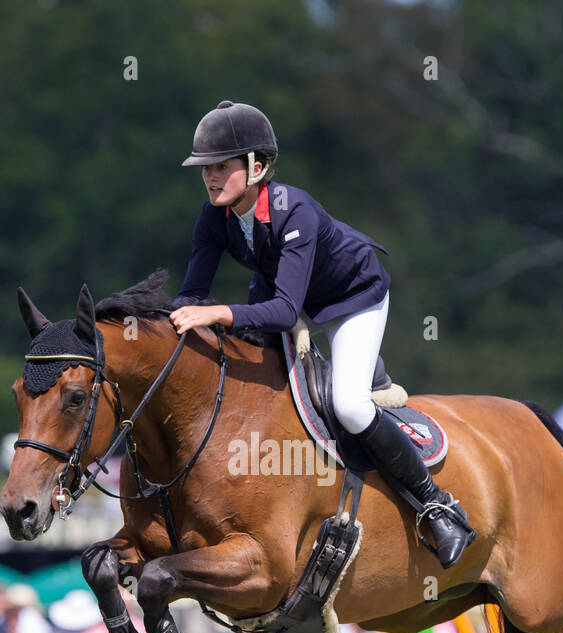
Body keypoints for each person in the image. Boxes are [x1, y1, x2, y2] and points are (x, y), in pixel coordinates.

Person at [168, 100, 476, 568]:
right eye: (206, 168)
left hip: (353, 298)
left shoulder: (297, 211)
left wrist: (218, 314)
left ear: (258, 166)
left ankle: (439, 508)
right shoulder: (215, 217)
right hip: (288, 294)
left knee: (349, 405)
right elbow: (191, 295)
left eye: (222, 166)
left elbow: (283, 309)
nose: (211, 177)